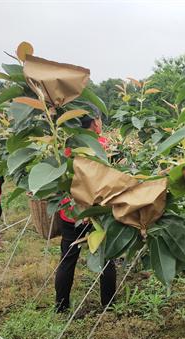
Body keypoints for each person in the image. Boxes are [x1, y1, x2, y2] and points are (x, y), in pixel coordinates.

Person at [55, 109, 116, 313]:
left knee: (67, 259)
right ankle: (108, 305)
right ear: (95, 123)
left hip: (71, 210)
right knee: (105, 257)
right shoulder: (102, 145)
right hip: (96, 212)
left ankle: (61, 306)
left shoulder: (69, 145)